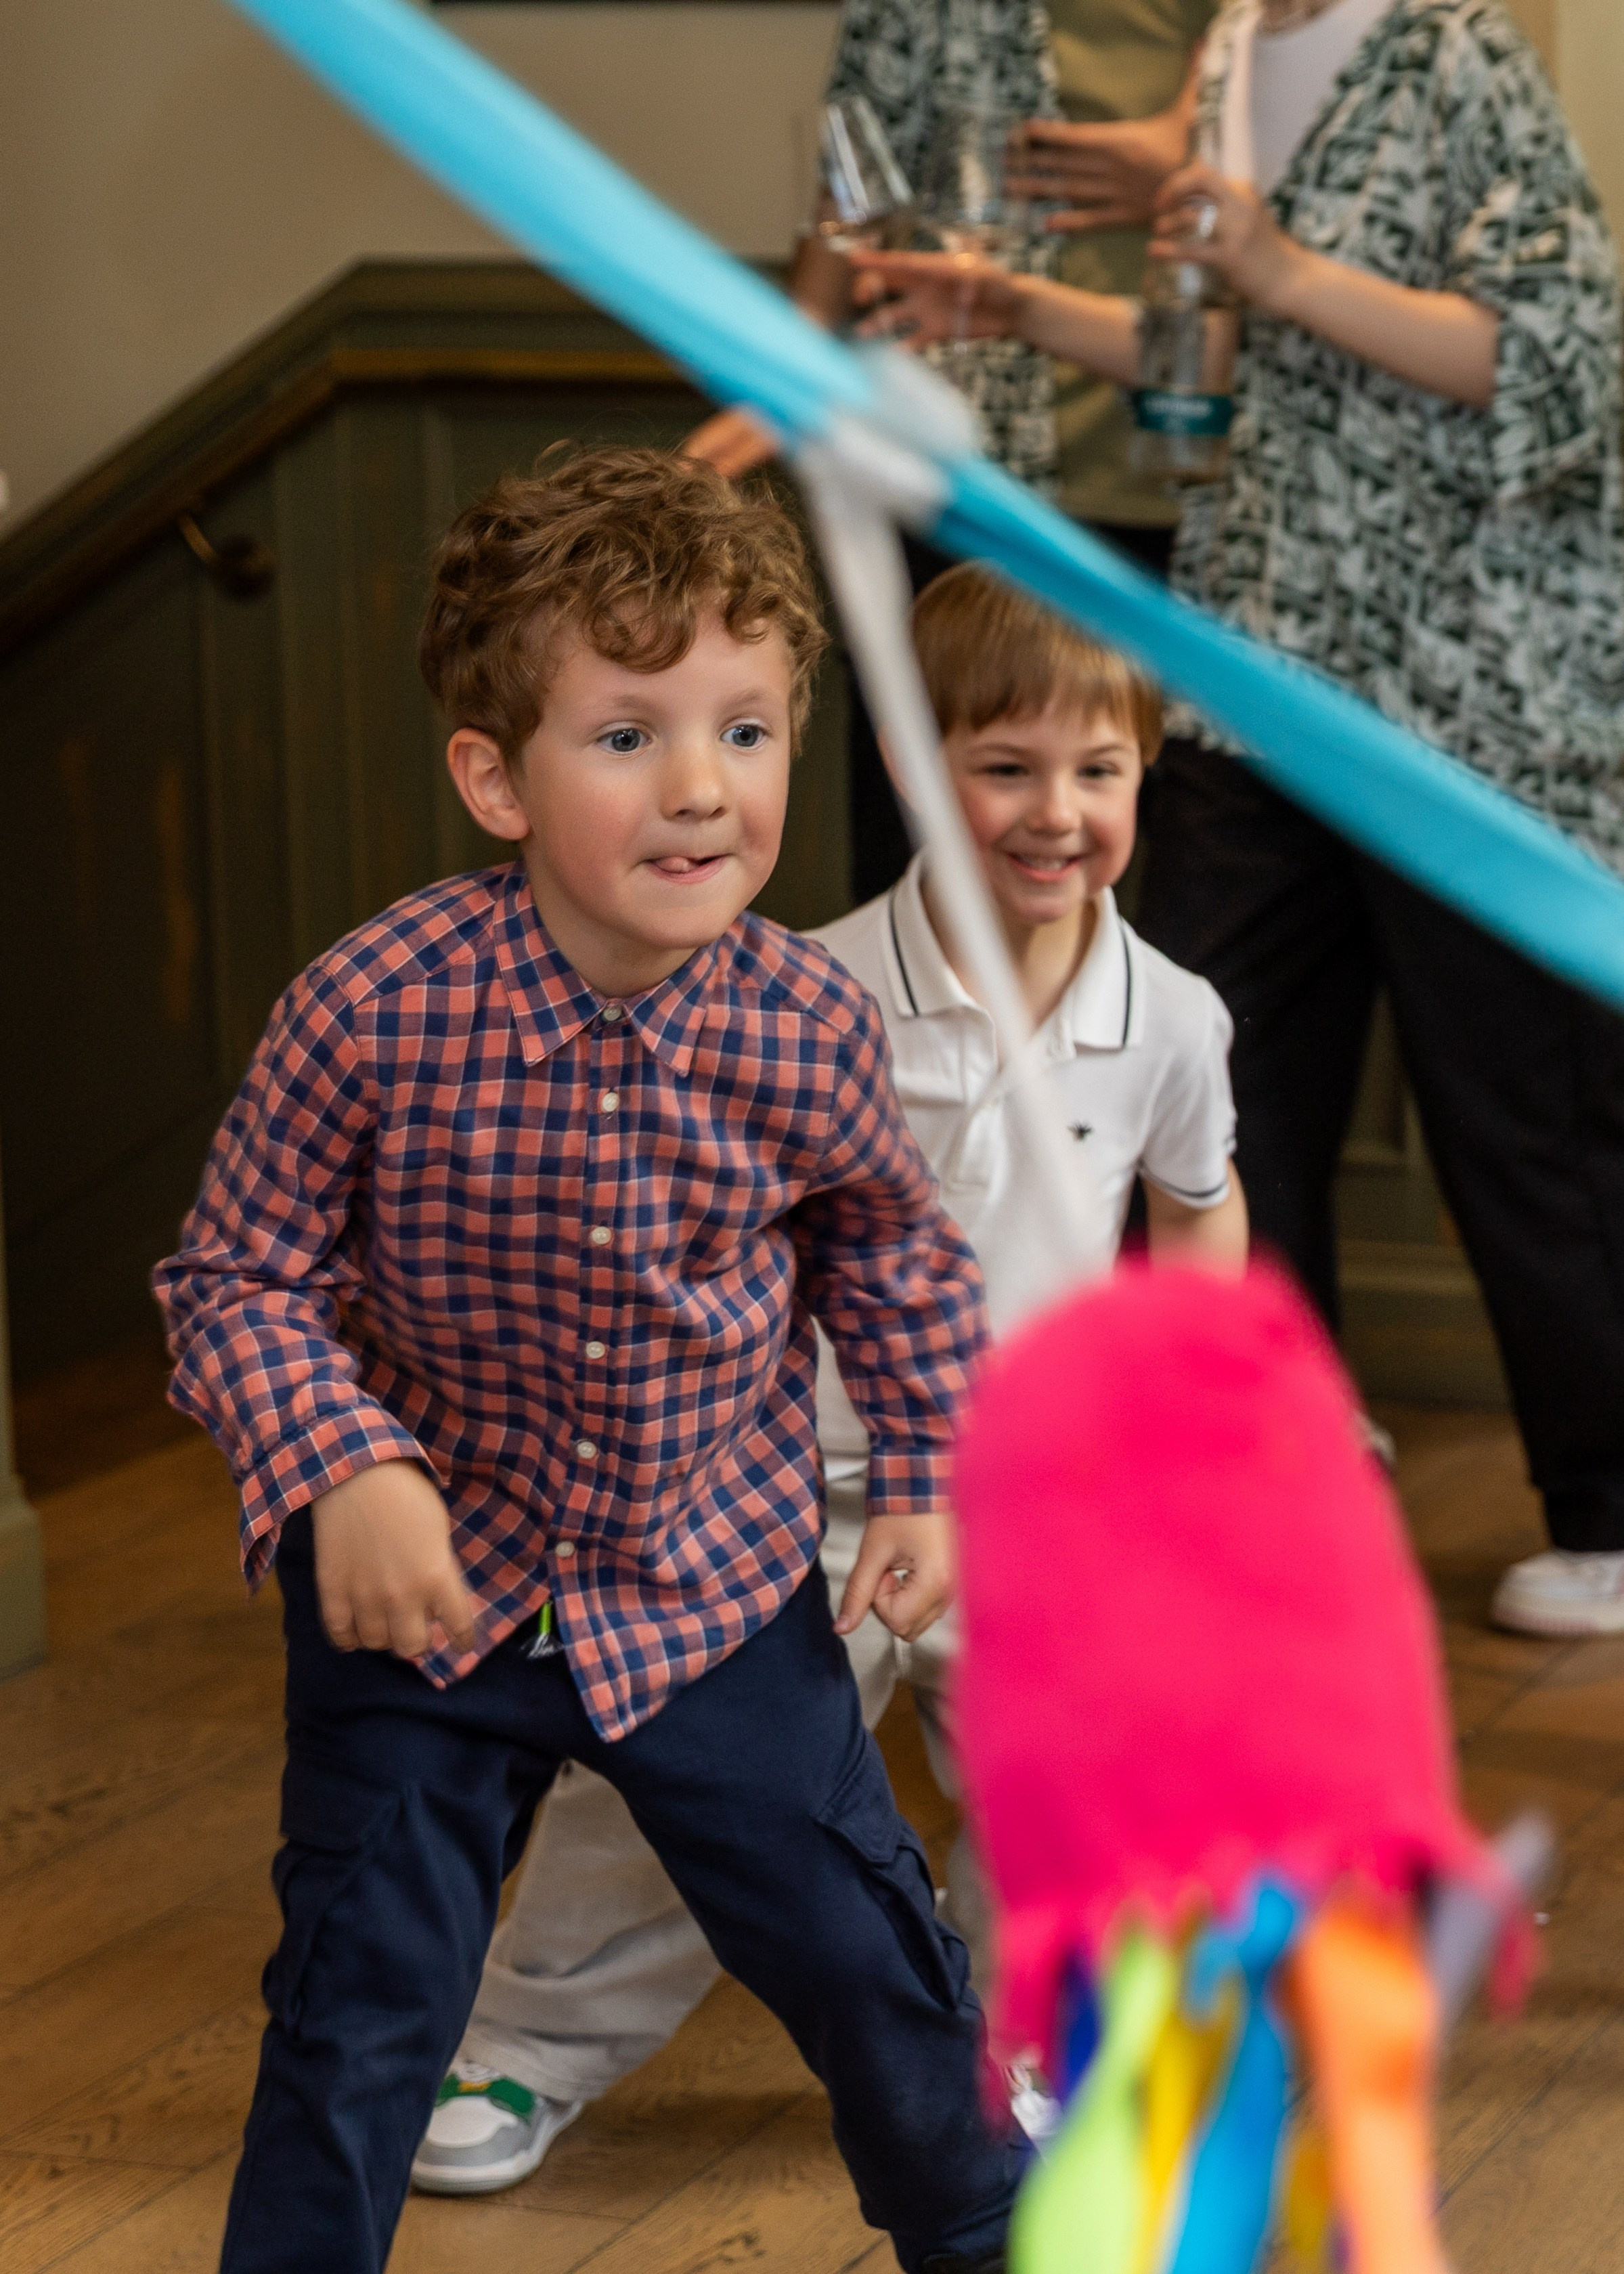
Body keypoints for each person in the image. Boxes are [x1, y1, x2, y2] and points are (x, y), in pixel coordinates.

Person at [151, 448, 1030, 2274]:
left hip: (703, 1591)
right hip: (425, 1610)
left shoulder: (806, 1023)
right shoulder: (372, 1008)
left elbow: (887, 1249)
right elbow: (233, 1277)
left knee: (870, 1960)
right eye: (627, 737)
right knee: (357, 2007)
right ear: (496, 777)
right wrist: (346, 1466)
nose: (703, 788)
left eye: (749, 729)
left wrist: (936, 1470)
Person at [412, 561, 1246, 2196]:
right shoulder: (804, 986)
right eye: (1006, 766)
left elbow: (1197, 1212)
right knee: (671, 1791)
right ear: (918, 766)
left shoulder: (1176, 1021)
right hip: (794, 1496)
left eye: (1101, 771)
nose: (1056, 811)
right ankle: (523, 2047)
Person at [849, 0, 1624, 1636]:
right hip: (1259, 676)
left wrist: (1277, 268)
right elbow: (1206, 354)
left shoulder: (1457, 57)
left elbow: (1559, 362)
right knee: (1209, 1066)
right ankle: (1276, 1468)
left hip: (1465, 707)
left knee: (1523, 1118)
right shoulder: (1225, 61)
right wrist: (1002, 302)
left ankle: (1610, 1516)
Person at [688, 0, 1216, 898]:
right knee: (930, 870)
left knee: (1177, 891)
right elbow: (852, 185)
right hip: (962, 486)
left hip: (1196, 498)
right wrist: (779, 386)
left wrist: (1192, 163)